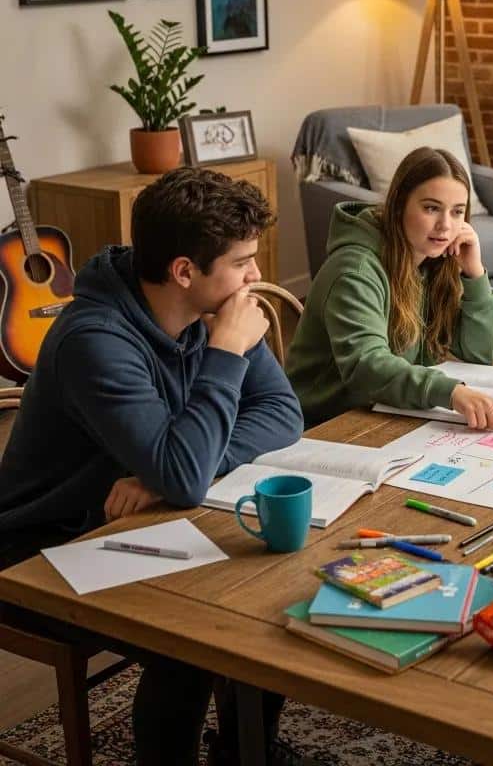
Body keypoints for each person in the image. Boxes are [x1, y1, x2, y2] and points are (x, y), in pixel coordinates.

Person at [0, 167, 310, 766]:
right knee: (191, 637)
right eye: (243, 262)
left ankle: (245, 751)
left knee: (274, 584)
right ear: (185, 272)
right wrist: (223, 356)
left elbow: (281, 413)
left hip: (139, 514)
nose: (256, 276)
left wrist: (165, 469)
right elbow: (187, 479)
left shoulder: (213, 310)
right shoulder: (95, 341)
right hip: (44, 543)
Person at [287, 146, 493, 430]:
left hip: (390, 412)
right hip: (325, 425)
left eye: (457, 212)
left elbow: (482, 353)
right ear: (399, 206)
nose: (445, 226)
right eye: (431, 208)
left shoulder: (436, 261)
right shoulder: (355, 271)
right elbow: (367, 366)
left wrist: (475, 275)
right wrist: (451, 392)